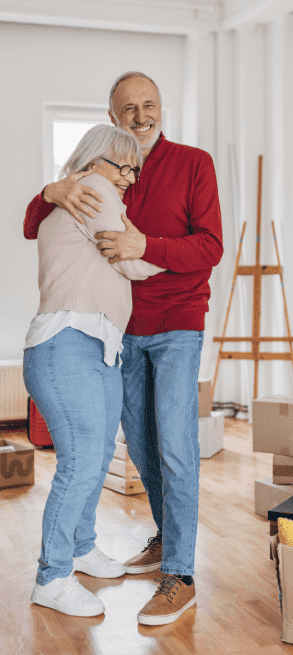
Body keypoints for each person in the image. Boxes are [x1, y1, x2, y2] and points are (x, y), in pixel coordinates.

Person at [24, 71, 224, 626]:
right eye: (129, 108)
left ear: (163, 108)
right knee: (139, 447)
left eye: (150, 105)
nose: (141, 116)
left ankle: (179, 575)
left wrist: (146, 244)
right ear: (113, 119)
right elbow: (31, 222)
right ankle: (164, 536)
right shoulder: (103, 175)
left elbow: (210, 245)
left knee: (178, 447)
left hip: (177, 323)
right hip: (121, 334)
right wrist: (51, 188)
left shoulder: (192, 162)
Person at [24, 125, 164, 618]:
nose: (127, 178)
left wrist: (147, 247)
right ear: (93, 160)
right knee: (83, 462)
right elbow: (133, 263)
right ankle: (53, 576)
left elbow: (126, 252)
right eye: (120, 165)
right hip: (68, 343)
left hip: (96, 346)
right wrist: (182, 253)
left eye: (133, 169)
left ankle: (81, 546)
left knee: (98, 453)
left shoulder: (92, 194)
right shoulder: (92, 190)